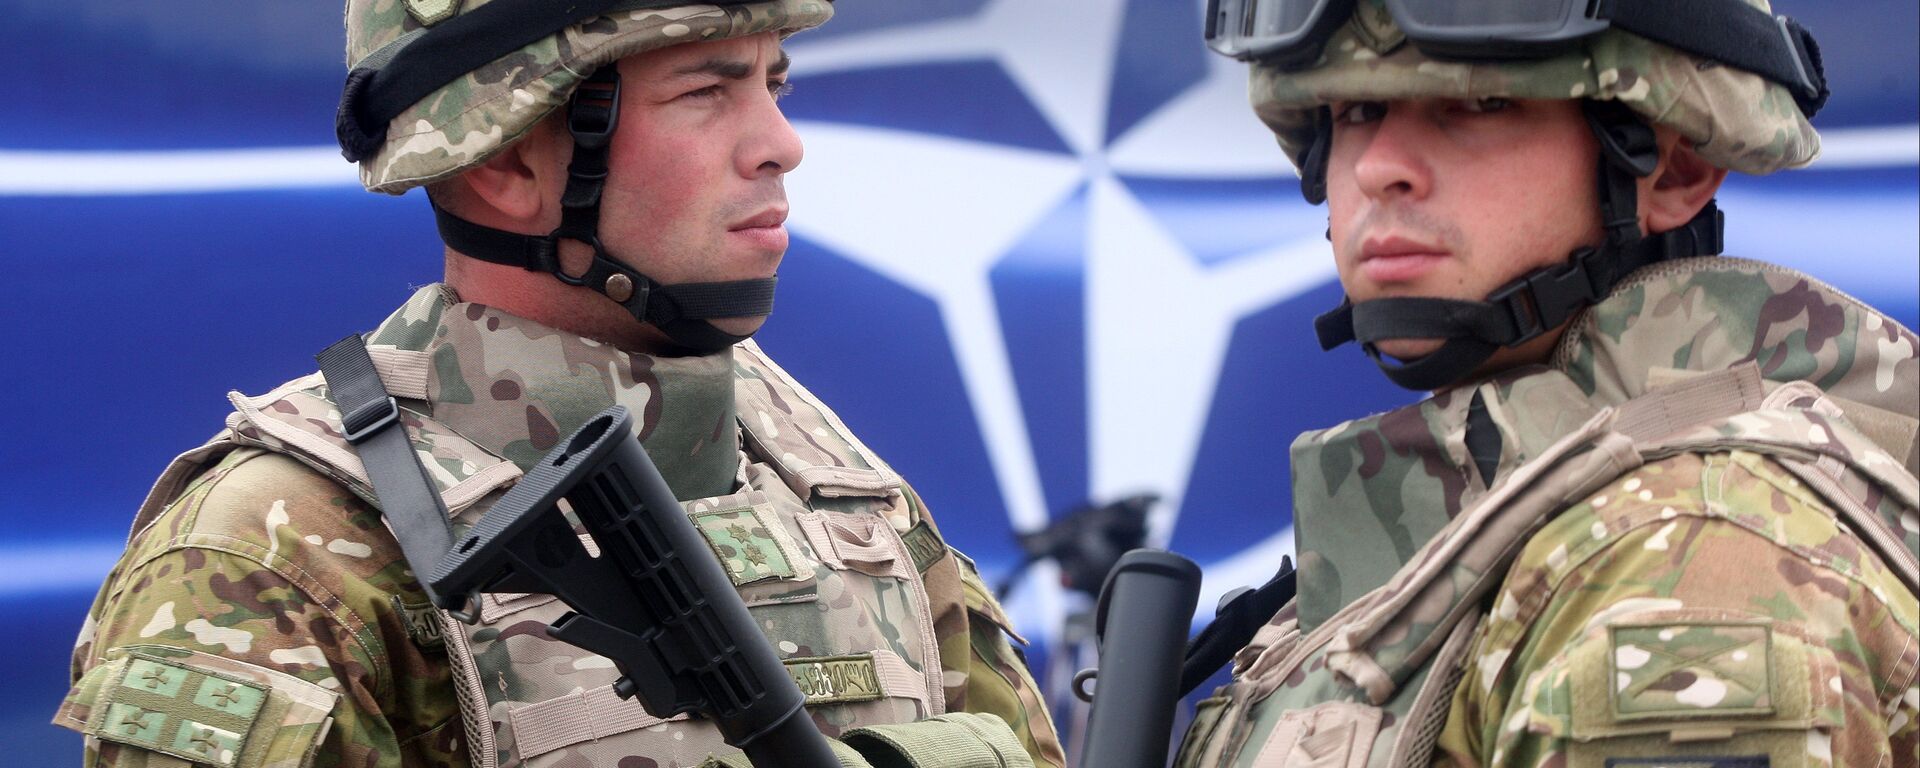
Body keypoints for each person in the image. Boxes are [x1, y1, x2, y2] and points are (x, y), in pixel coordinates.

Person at [53, 1, 1064, 766]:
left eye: (774, 84)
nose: (779, 144)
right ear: (505, 162)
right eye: (706, 93)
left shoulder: (831, 480)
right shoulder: (279, 553)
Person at [1173, 1, 1918, 767]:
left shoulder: (1686, 569)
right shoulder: (1523, 531)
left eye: (1480, 104)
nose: (1377, 166)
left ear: (1675, 166)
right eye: (1359, 110)